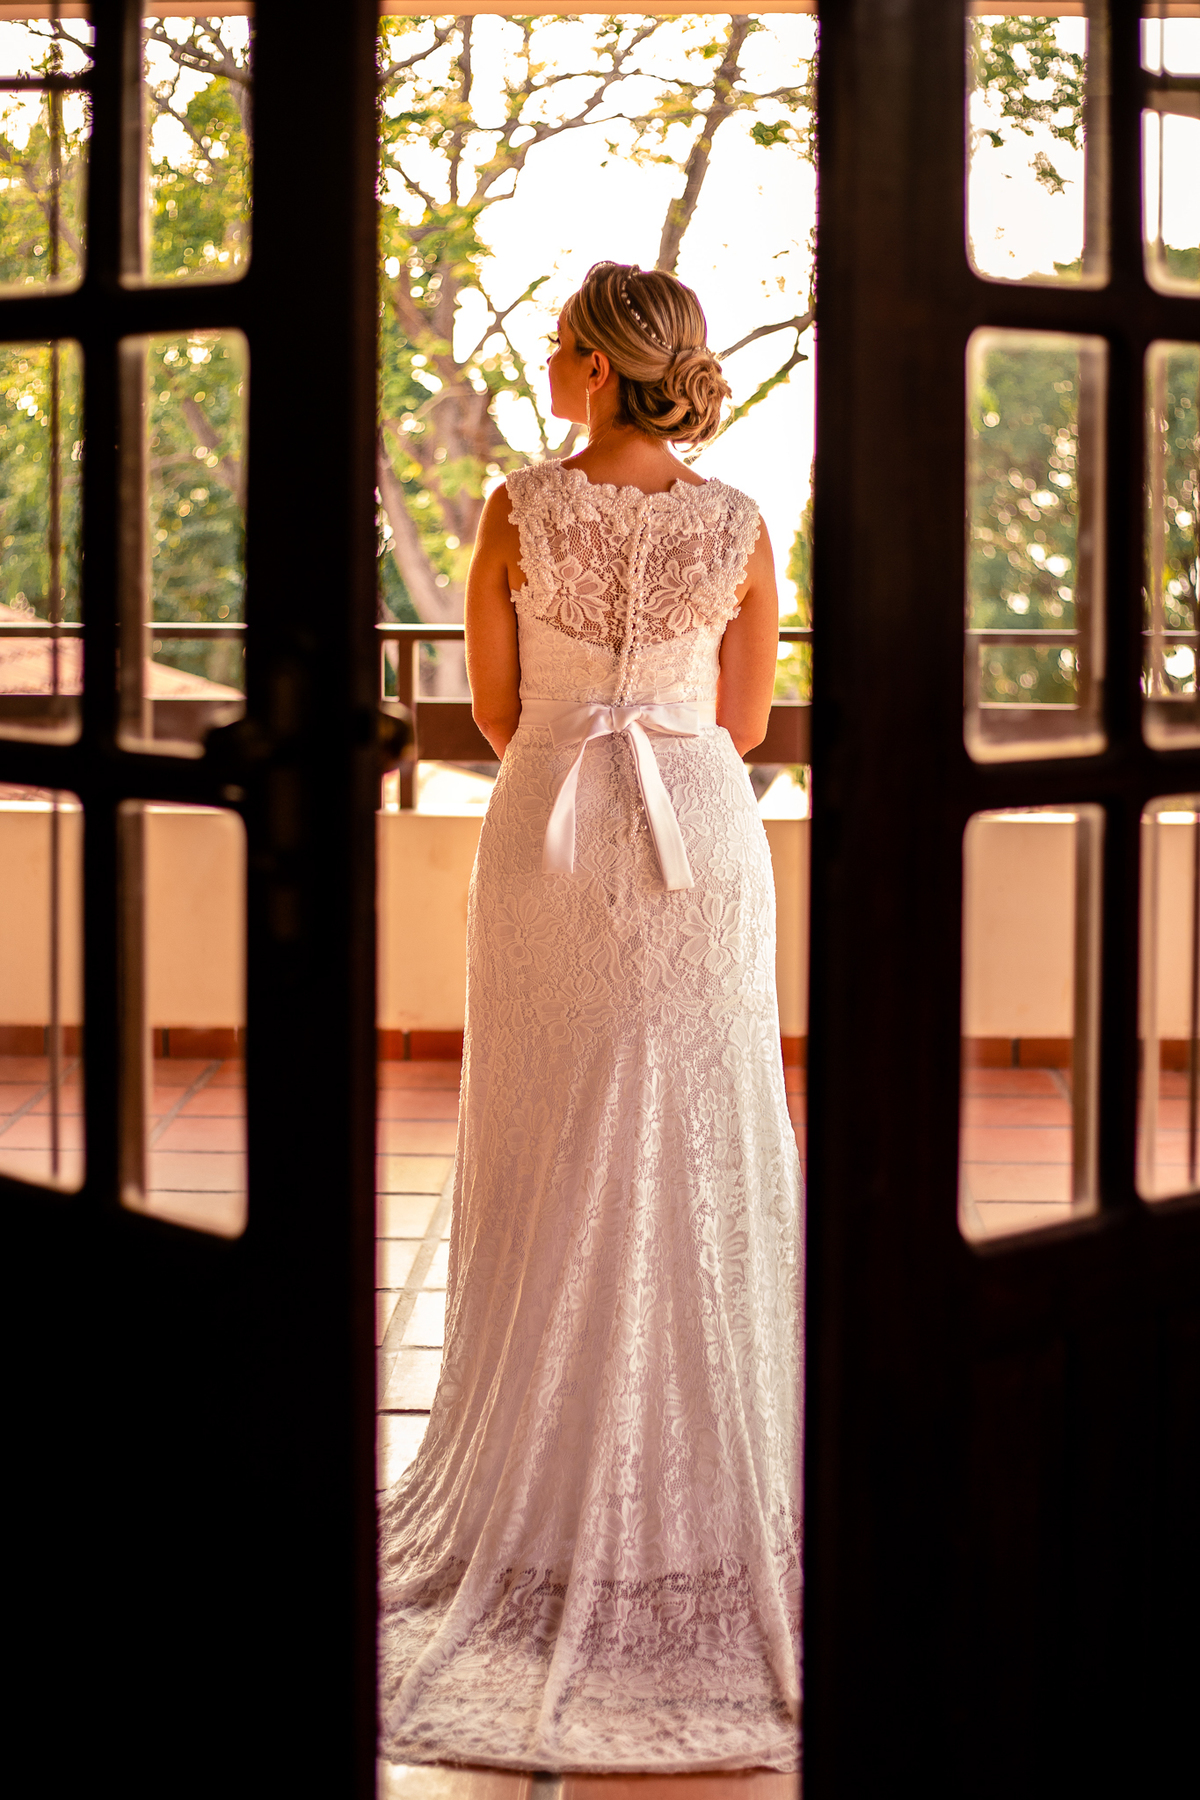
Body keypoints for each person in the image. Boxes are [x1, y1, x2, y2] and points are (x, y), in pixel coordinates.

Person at [379, 261, 803, 1774]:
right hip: (698, 831)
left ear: (609, 367)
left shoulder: (515, 509)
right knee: (695, 1135)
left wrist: (579, 725)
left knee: (548, 1135)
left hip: (549, 819)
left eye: (561, 346)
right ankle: (693, 1495)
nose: (545, 363)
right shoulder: (740, 522)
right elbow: (747, 726)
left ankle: (544, 1499)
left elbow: (495, 716)